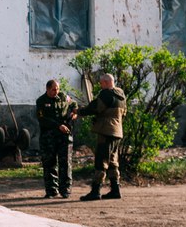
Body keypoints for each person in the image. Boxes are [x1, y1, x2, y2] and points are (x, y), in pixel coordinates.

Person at [76, 72, 126, 201]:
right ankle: (115, 190)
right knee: (113, 161)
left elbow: (95, 108)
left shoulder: (106, 94)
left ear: (106, 82)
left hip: (106, 131)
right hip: (118, 131)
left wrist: (79, 111)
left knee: (101, 161)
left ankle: (95, 191)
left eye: (101, 83)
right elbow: (123, 114)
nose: (100, 85)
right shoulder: (121, 94)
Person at [35, 79, 76, 198]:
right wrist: (58, 126)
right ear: (47, 89)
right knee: (49, 163)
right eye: (53, 90)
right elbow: (42, 119)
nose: (56, 92)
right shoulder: (41, 101)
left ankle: (65, 190)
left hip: (64, 136)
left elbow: (74, 104)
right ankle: (51, 190)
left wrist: (74, 113)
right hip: (49, 137)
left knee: (65, 163)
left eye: (57, 89)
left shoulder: (63, 97)